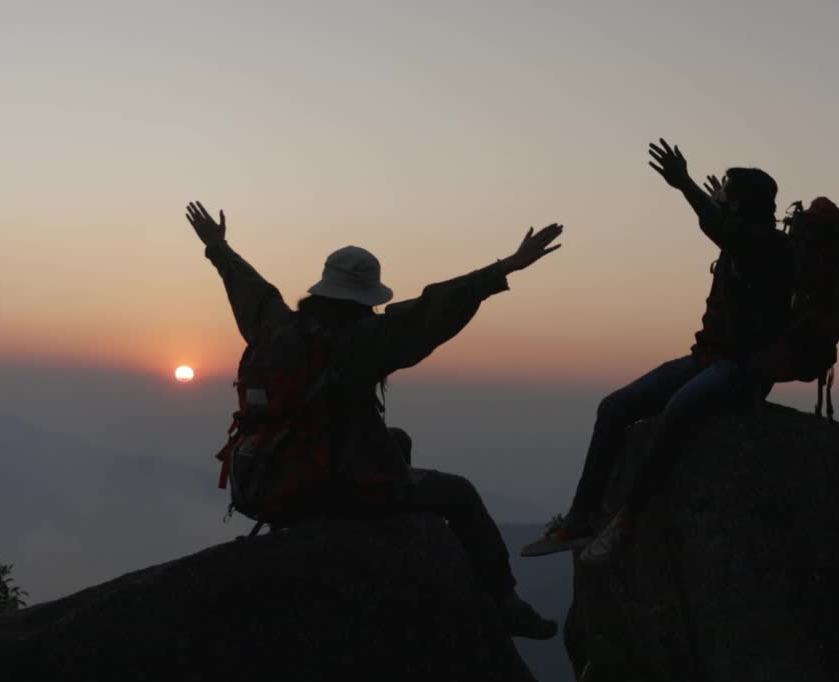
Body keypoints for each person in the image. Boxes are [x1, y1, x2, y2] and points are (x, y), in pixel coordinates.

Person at [186, 201, 564, 639]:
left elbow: (251, 288)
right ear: (364, 300)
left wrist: (218, 246)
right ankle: (505, 603)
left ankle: (315, 523)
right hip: (326, 486)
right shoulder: (363, 342)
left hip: (264, 478)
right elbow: (434, 307)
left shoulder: (276, 327)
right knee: (458, 493)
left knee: (395, 439)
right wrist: (508, 267)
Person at [521, 139, 793, 564]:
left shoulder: (768, 247)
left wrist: (685, 184)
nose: (718, 193)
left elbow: (725, 230)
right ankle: (581, 519)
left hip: (741, 369)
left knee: (677, 411)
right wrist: (710, 199)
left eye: (725, 190)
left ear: (740, 205)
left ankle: (628, 520)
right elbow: (726, 228)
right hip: (708, 359)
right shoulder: (748, 237)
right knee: (614, 408)